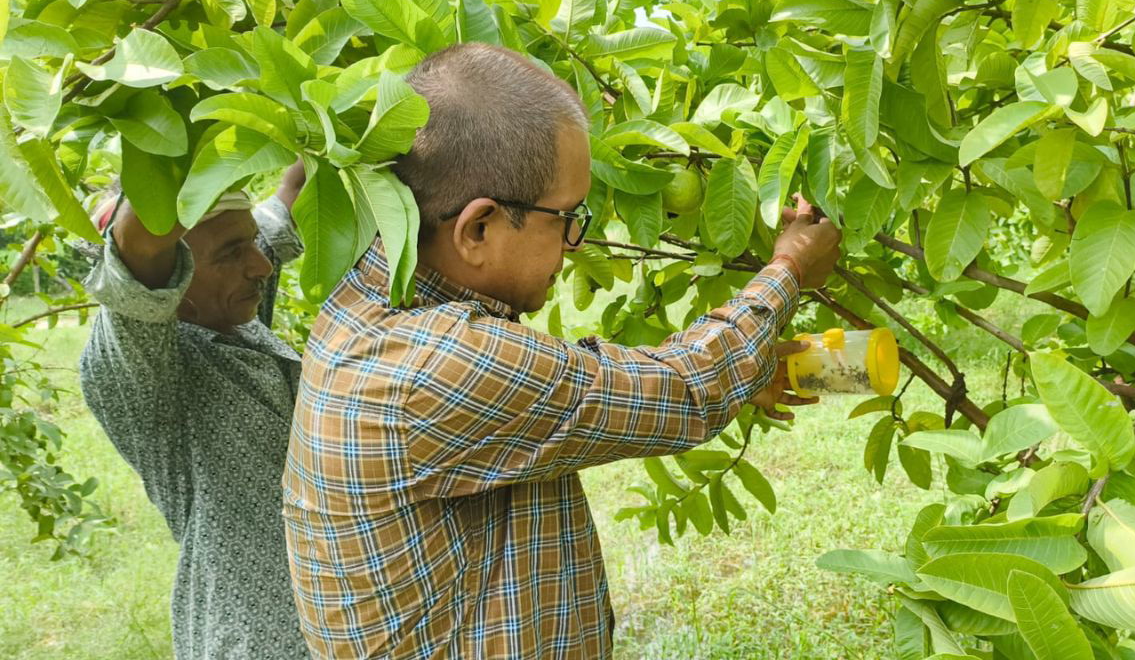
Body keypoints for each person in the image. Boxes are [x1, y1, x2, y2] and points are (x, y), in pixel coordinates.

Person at [283, 43, 841, 659]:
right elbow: (686, 389)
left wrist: (746, 367)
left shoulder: (370, 302)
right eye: (566, 217)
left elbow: (569, 394)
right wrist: (788, 267)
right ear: (477, 229)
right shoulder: (432, 365)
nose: (574, 243)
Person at [79, 166, 311, 659]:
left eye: (249, 243)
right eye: (232, 253)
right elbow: (140, 247)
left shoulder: (225, 306)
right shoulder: (139, 368)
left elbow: (292, 193)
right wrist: (178, 123)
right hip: (257, 638)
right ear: (170, 277)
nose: (261, 266)